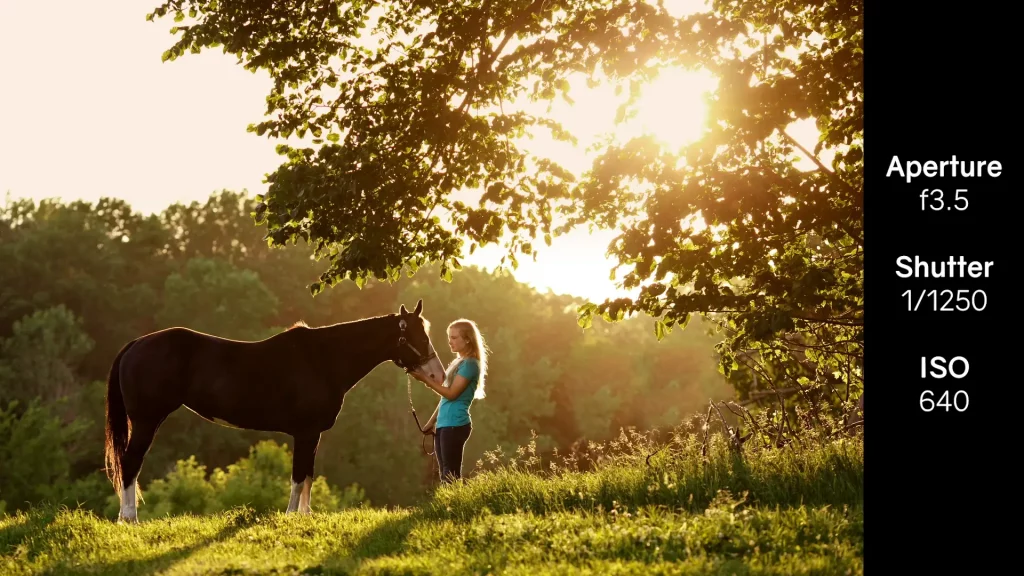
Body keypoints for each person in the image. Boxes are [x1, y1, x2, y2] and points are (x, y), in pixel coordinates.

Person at [415, 318, 488, 483]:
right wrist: (432, 421)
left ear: (467, 339)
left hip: (455, 424)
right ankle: (450, 505)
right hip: (444, 424)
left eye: (454, 337)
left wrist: (425, 379)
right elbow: (444, 399)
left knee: (450, 473)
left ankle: (456, 506)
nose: (450, 341)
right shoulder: (458, 362)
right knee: (445, 472)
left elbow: (451, 394)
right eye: (449, 337)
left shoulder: (470, 365)